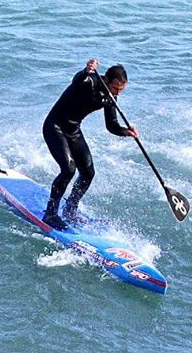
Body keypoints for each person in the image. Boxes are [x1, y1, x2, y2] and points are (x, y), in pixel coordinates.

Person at [41, 59, 137, 229]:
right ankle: (50, 213)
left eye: (121, 90)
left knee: (88, 172)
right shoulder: (91, 81)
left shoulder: (110, 97)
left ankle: (70, 210)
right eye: (115, 87)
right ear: (106, 79)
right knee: (68, 169)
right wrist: (86, 70)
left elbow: (111, 126)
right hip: (55, 126)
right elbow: (77, 80)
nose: (117, 93)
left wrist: (126, 132)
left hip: (73, 130)